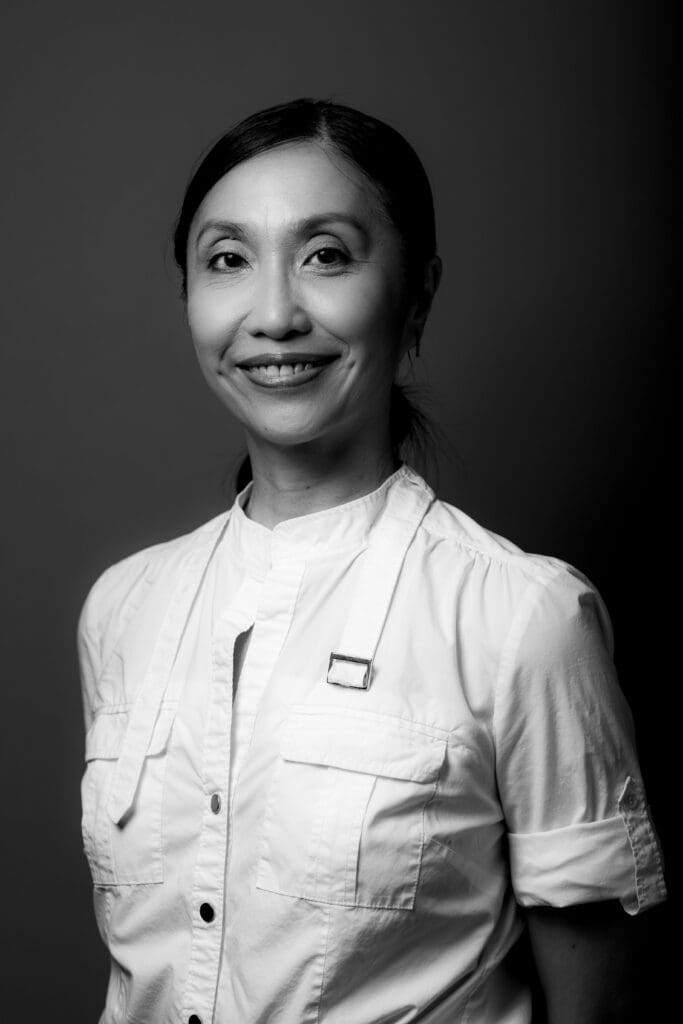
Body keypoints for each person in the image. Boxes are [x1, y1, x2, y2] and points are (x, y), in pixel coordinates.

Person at [77, 98, 666, 1024]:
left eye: (326, 256)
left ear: (416, 294)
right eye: (227, 260)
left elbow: (599, 1003)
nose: (272, 314)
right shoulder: (123, 607)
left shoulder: (521, 617)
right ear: (187, 294)